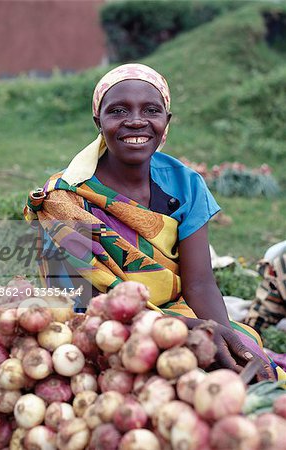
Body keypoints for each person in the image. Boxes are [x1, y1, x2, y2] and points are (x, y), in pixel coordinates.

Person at [24, 63, 283, 381]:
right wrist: (180, 330)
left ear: (166, 122)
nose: (135, 121)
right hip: (103, 326)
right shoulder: (64, 200)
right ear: (98, 121)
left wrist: (224, 336)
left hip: (177, 312)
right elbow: (81, 302)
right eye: (118, 110)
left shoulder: (185, 183)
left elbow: (199, 283)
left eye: (151, 110)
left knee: (248, 348)